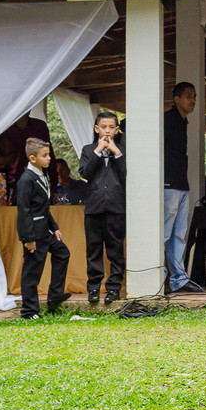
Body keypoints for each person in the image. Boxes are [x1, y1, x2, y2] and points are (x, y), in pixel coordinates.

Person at [16, 138, 70, 319]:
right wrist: (28, 239)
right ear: (32, 158)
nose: (49, 159)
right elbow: (24, 212)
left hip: (46, 231)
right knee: (32, 271)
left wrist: (54, 227)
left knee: (63, 253)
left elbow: (43, 208)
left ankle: (54, 297)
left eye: (49, 155)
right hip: (34, 234)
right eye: (45, 156)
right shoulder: (26, 180)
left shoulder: (42, 174)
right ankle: (29, 311)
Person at [79, 111, 126, 305]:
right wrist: (98, 151)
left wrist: (117, 153)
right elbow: (85, 174)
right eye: (103, 127)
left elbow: (124, 176)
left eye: (111, 127)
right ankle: (93, 288)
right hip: (94, 208)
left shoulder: (122, 150)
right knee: (94, 249)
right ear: (97, 129)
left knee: (115, 249)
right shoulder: (88, 150)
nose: (107, 131)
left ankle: (114, 288)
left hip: (115, 208)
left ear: (116, 129)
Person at [164, 82, 203, 294]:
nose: (193, 100)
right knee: (164, 234)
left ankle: (178, 279)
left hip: (182, 184)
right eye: (188, 96)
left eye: (194, 96)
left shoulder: (182, 122)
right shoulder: (166, 119)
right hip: (168, 183)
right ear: (176, 99)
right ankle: (159, 279)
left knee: (180, 234)